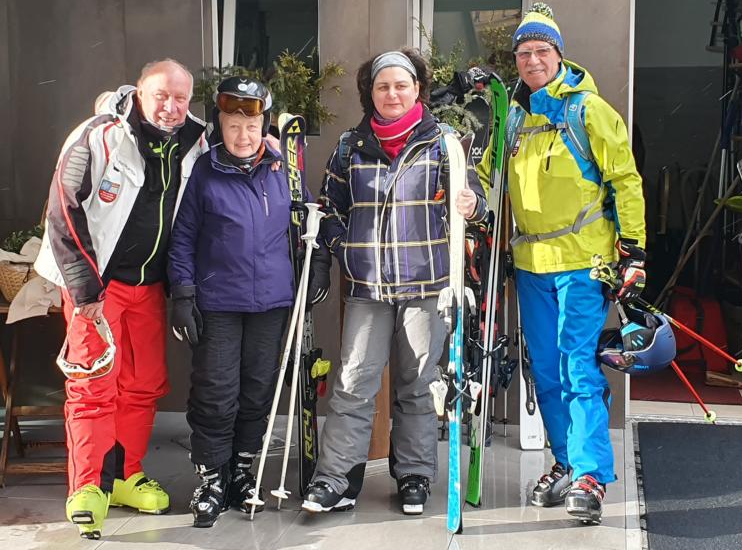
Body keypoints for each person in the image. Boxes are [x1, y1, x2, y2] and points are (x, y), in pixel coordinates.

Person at [477, 3, 646, 523]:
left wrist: (634, 251)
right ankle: (566, 461)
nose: (532, 60)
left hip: (584, 263)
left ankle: (591, 475)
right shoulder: (512, 119)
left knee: (577, 367)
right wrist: (468, 202)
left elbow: (625, 180)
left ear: (559, 55)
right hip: (530, 264)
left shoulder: (589, 111)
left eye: (541, 51)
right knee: (546, 371)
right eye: (524, 53)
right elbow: (487, 179)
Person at [301, 48, 487, 516]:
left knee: (418, 384)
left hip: (427, 285)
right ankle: (335, 478)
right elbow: (329, 208)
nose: (392, 94)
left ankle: (414, 475)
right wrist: (345, 249)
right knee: (353, 382)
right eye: (383, 86)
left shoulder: (444, 143)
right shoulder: (350, 145)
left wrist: (472, 205)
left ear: (417, 89)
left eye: (401, 85)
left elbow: (477, 202)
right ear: (371, 92)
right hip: (369, 288)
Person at [34, 59, 208, 539]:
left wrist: (270, 144)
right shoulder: (97, 136)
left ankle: (127, 475)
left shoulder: (194, 141)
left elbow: (237, 149)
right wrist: (84, 288)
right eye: (161, 96)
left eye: (180, 98)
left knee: (143, 384)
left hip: (149, 286)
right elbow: (63, 210)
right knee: (93, 384)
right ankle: (88, 486)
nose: (171, 107)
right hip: (97, 287)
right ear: (140, 92)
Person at [167, 77, 330, 527]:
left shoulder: (284, 171)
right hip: (218, 302)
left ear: (264, 125)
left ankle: (241, 472)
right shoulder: (204, 172)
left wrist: (318, 264)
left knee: (258, 391)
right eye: (233, 124)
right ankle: (211, 478)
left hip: (272, 304)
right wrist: (182, 293)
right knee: (216, 392)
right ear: (220, 124)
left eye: (252, 125)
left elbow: (310, 222)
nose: (243, 135)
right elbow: (183, 239)